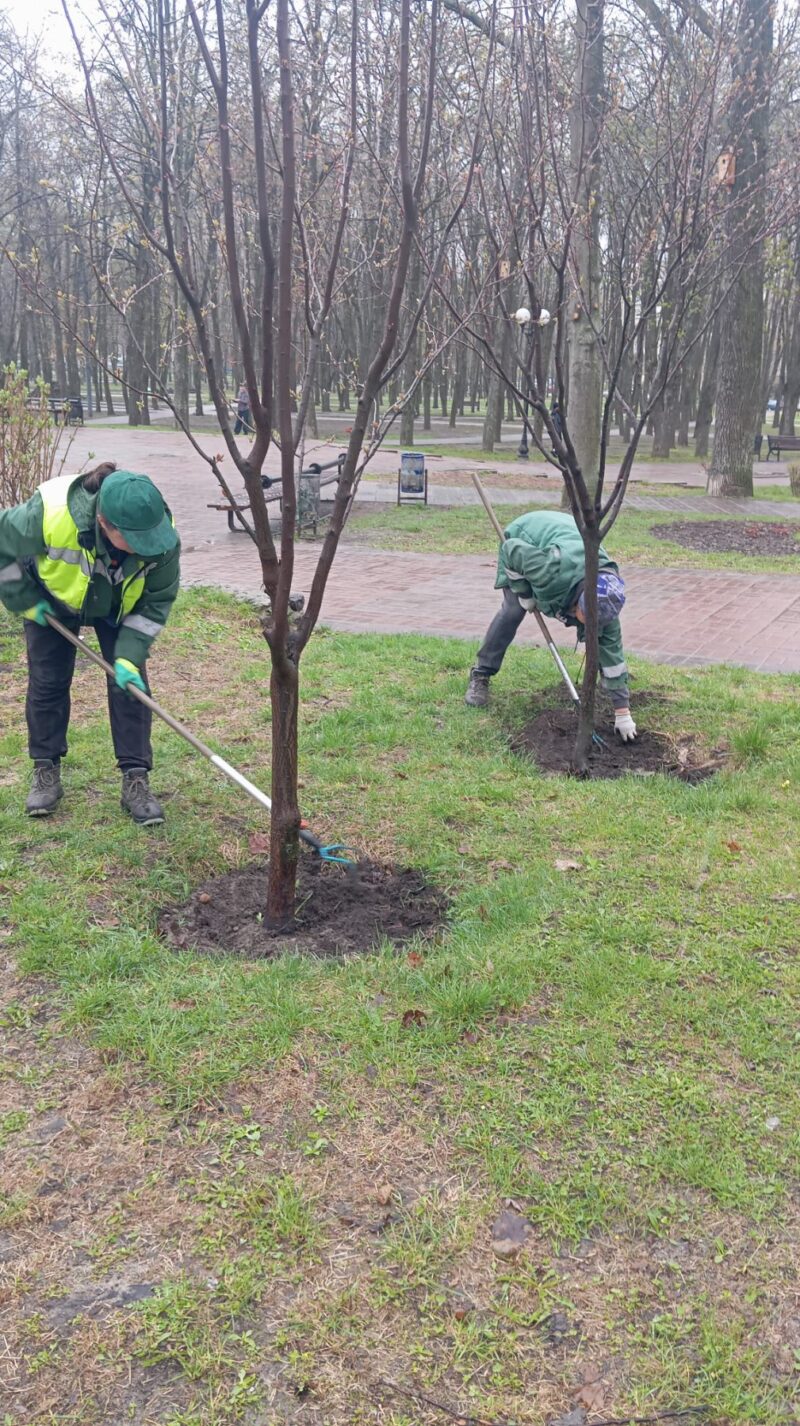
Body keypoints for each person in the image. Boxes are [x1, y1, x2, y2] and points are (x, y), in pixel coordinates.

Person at [0, 464, 181, 822]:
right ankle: (46, 769)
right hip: (52, 593)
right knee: (48, 681)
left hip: (118, 603)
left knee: (130, 686)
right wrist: (21, 597)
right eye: (136, 539)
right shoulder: (50, 515)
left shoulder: (162, 539)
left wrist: (129, 655)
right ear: (103, 523)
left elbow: (155, 603)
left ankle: (135, 777)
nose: (147, 547)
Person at [464, 509, 637, 741]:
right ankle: (481, 673)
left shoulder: (607, 601)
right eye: (588, 619)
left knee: (603, 639)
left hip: (566, 538)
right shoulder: (550, 570)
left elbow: (612, 653)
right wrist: (524, 591)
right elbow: (511, 549)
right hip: (527, 537)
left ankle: (612, 689)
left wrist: (622, 713)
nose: (593, 626)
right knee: (513, 611)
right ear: (579, 603)